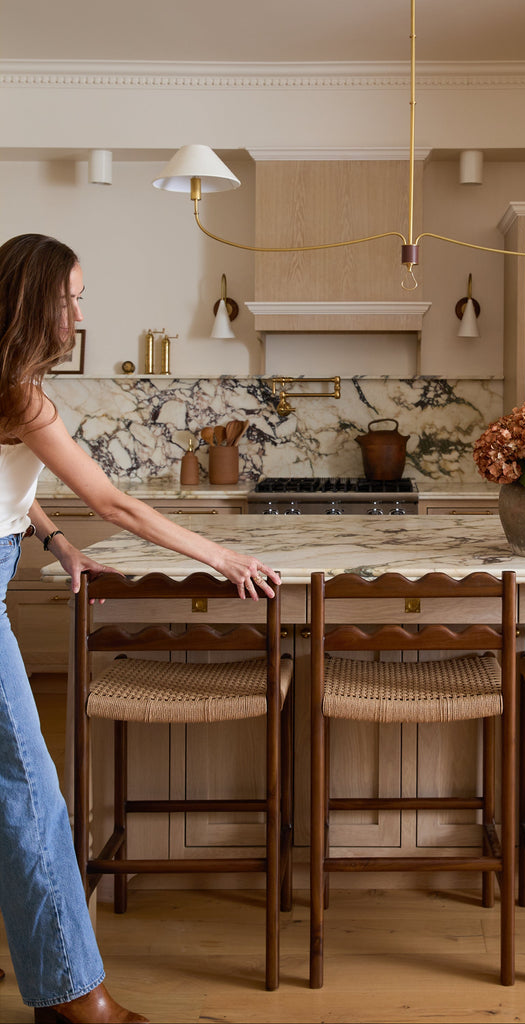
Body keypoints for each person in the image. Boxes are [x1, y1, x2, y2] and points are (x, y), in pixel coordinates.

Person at [0, 233, 280, 1022]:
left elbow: (14, 479)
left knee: (15, 789)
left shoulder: (10, 388)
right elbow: (114, 505)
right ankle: (73, 998)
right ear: (33, 302)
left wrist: (53, 544)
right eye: (71, 298)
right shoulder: (23, 394)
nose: (80, 313)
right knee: (30, 792)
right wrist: (221, 555)